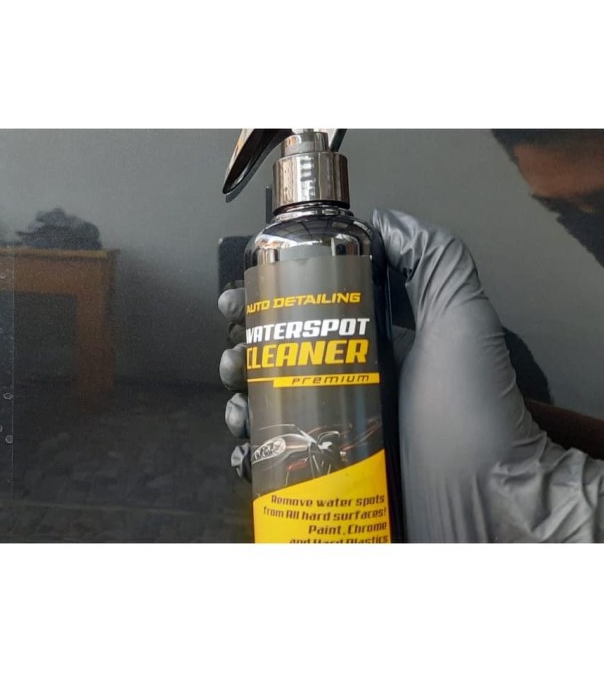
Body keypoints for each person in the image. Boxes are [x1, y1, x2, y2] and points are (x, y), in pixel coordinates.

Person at [219, 129, 604, 542]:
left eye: (597, 200)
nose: (583, 224)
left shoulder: (351, 243)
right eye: (563, 210)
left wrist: (532, 508)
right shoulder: (313, 246)